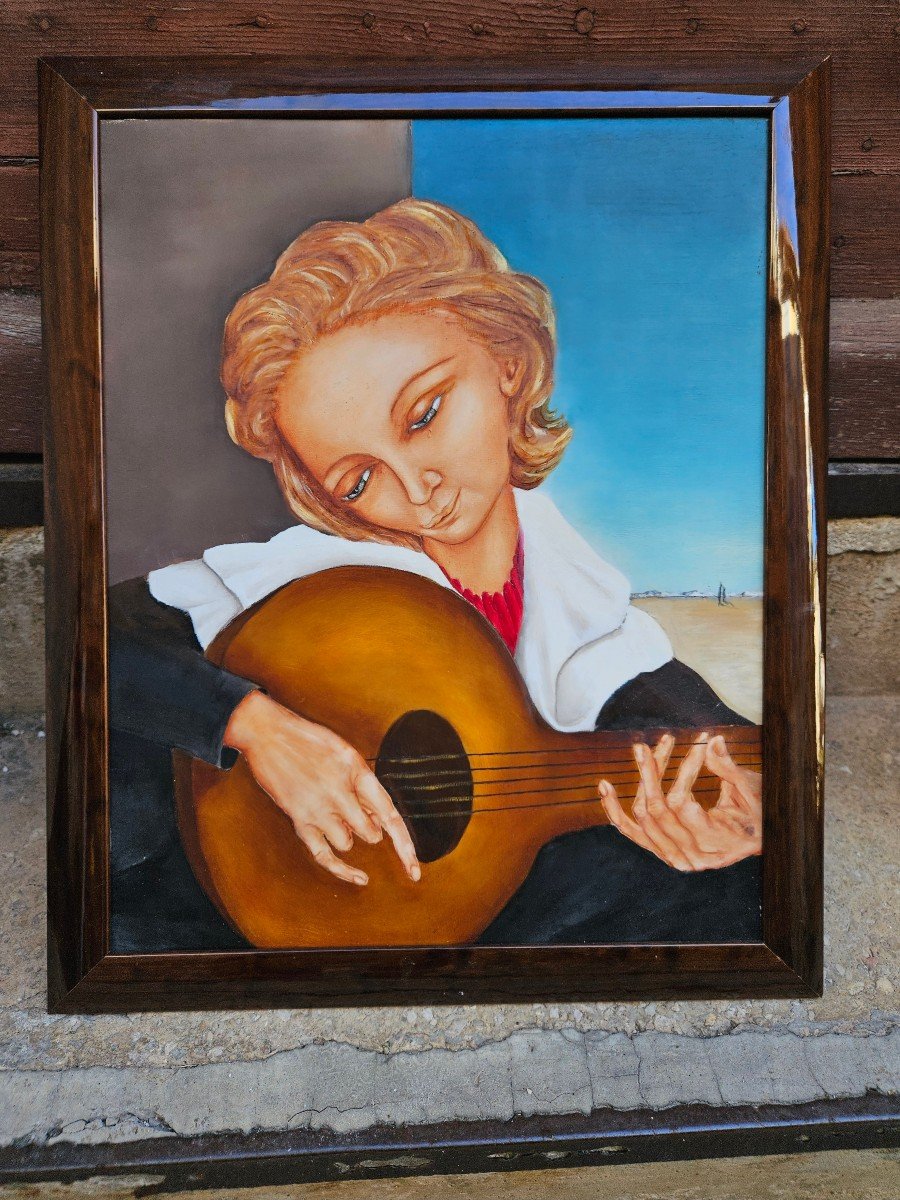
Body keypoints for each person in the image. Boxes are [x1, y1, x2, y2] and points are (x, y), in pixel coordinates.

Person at [108, 198, 762, 953]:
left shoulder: (588, 620)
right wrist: (256, 727)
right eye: (357, 482)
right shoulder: (312, 587)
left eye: (423, 415)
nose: (416, 488)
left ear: (509, 365)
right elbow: (93, 641)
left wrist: (751, 819)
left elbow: (736, 752)